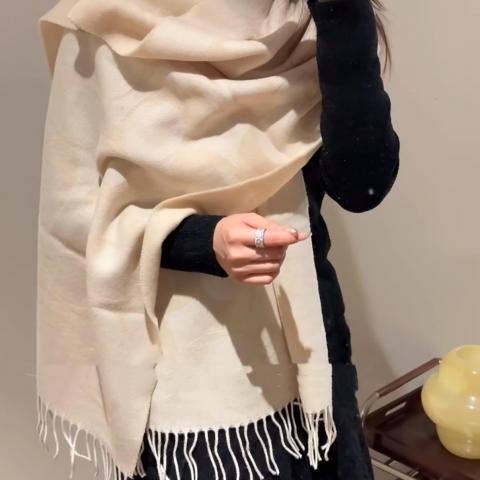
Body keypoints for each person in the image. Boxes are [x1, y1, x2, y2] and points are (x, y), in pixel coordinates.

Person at [35, 0, 399, 479]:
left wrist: (343, 16)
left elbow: (362, 186)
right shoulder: (105, 23)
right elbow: (77, 218)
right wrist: (205, 241)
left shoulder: (308, 21)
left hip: (312, 348)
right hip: (185, 382)